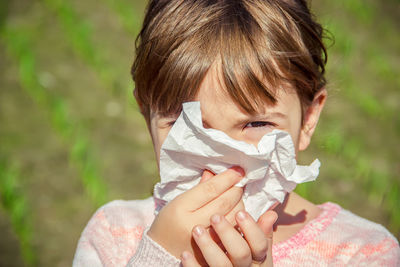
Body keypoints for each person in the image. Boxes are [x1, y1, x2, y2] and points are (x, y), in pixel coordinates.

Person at [73, 0, 400, 266]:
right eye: (187, 127)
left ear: (309, 118)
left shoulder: (364, 253)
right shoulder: (114, 236)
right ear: (148, 116)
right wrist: (159, 257)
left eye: (257, 124)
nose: (221, 161)